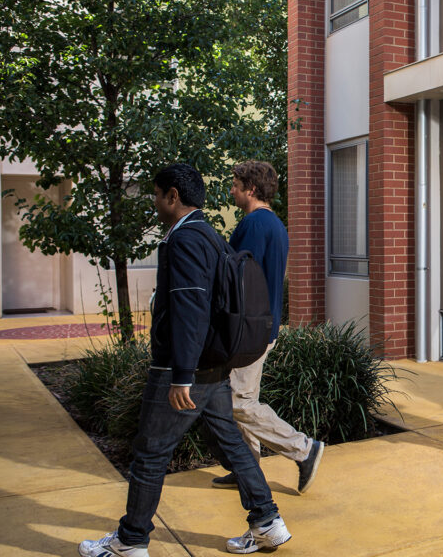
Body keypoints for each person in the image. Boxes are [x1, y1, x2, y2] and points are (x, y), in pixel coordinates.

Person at [79, 164, 291, 557]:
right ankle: (266, 521)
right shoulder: (208, 235)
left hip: (185, 370)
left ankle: (131, 540)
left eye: (157, 194)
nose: (154, 201)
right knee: (232, 446)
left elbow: (191, 307)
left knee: (150, 453)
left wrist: (180, 375)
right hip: (210, 367)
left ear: (172, 196)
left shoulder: (187, 240)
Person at [210, 161, 325, 494]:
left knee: (238, 402)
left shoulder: (256, 225)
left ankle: (304, 449)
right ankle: (247, 468)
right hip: (260, 326)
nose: (231, 190)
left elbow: (239, 280)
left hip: (250, 330)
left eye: (235, 184)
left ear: (251, 188)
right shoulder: (270, 223)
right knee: (240, 399)